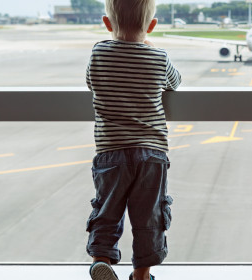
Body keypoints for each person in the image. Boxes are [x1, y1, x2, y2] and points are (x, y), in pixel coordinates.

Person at [85, 0, 181, 279]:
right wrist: (150, 48)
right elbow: (175, 82)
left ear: (107, 23)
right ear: (151, 25)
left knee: (107, 208)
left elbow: (91, 82)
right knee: (149, 215)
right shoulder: (159, 57)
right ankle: (141, 273)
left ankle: (101, 258)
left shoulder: (99, 53)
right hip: (151, 152)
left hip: (110, 150)